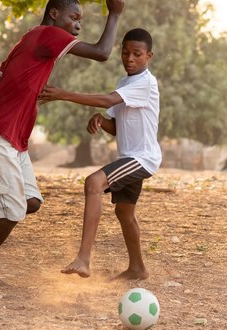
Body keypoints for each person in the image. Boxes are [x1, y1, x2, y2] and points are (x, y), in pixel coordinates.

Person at [0, 0, 126, 286]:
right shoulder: (48, 34)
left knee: (30, 202)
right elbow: (102, 53)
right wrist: (115, 12)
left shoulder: (29, 39)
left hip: (7, 138)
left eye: (81, 20)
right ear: (54, 13)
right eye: (73, 17)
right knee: (14, 208)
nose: (78, 24)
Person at [38, 28, 160, 280]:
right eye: (125, 53)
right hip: (130, 156)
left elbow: (106, 101)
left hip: (142, 158)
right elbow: (116, 126)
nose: (130, 58)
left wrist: (63, 94)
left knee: (94, 182)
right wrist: (100, 121)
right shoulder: (125, 83)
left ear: (149, 56)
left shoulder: (145, 82)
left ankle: (83, 258)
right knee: (124, 212)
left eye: (137, 54)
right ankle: (137, 268)